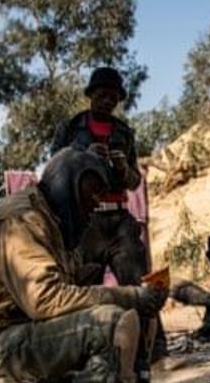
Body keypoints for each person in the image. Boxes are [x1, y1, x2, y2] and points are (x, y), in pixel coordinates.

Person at [0, 149, 168, 383]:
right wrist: (130, 296)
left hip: (10, 333)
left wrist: (142, 294)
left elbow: (64, 282)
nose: (96, 203)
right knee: (110, 324)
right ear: (66, 184)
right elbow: (45, 299)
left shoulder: (50, 220)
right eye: (91, 193)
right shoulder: (22, 219)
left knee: (129, 316)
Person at [51, 66, 148, 284]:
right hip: (84, 224)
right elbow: (54, 171)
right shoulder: (70, 128)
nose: (107, 101)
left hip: (121, 222)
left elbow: (135, 183)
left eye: (113, 97)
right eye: (102, 95)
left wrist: (124, 168)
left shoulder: (125, 133)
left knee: (137, 289)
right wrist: (83, 156)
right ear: (91, 95)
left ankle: (140, 319)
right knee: (84, 294)